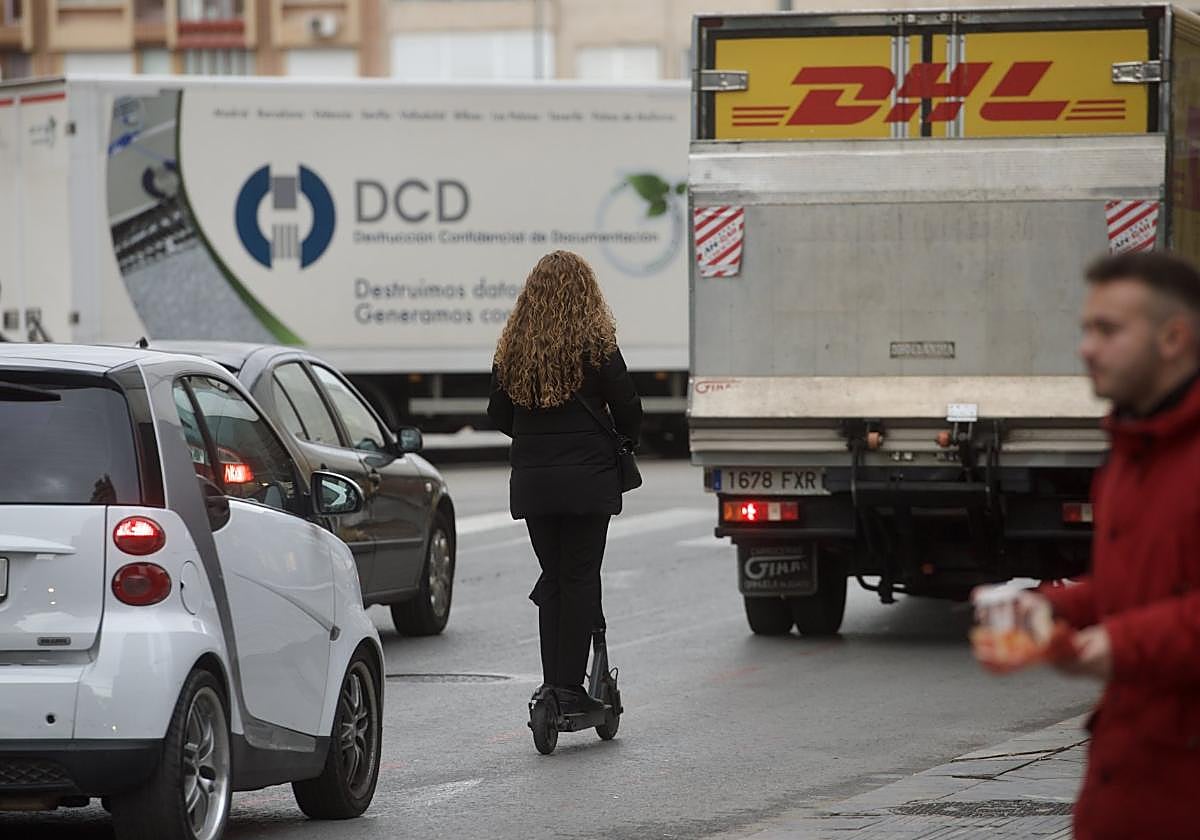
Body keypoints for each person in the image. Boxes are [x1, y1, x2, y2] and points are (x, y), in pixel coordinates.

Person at [1009, 251, 1200, 839]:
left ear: (1173, 337)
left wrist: (1119, 643)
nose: (1086, 348)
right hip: (1130, 789)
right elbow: (1143, 586)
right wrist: (1052, 608)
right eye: (1085, 330)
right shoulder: (1130, 449)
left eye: (1108, 330)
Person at [487, 250, 643, 714]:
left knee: (554, 576)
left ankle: (553, 686)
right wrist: (625, 441)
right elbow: (629, 406)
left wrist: (535, 442)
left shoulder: (514, 348)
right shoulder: (598, 346)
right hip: (589, 482)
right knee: (579, 576)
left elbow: (498, 414)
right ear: (587, 294)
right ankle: (572, 689)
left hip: (535, 485)